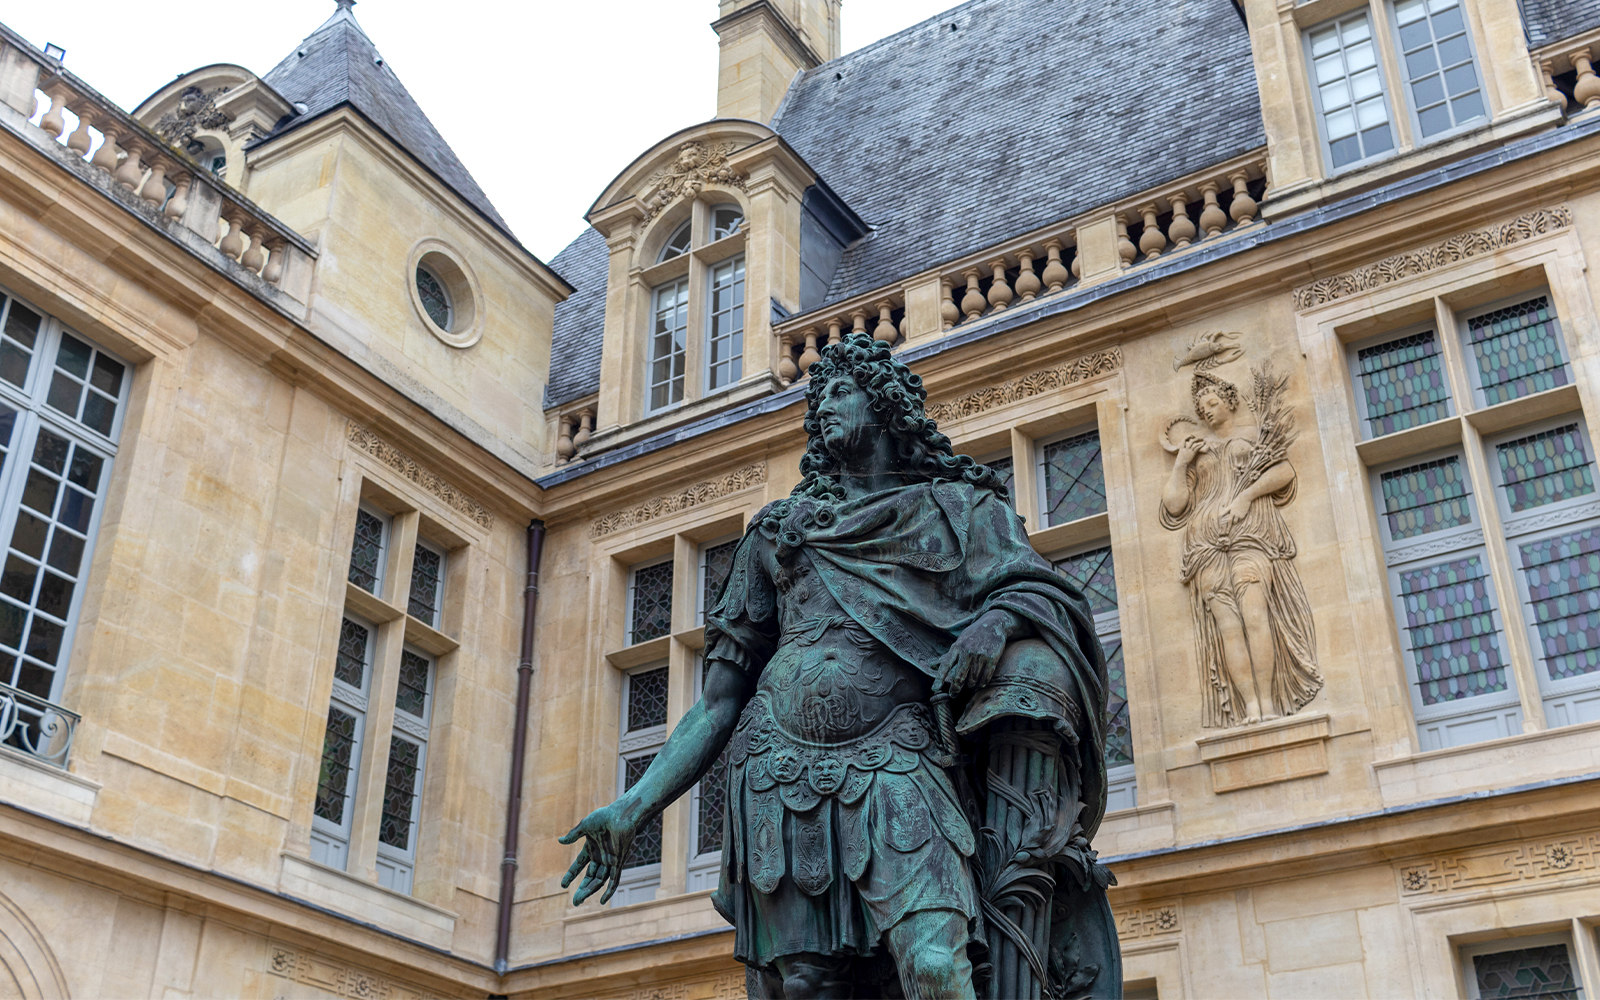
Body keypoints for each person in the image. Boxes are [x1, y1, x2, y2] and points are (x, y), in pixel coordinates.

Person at [561, 334, 1119, 999]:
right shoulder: (778, 531)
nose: (825, 405)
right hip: (776, 771)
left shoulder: (959, 511)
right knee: (806, 987)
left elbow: (1039, 589)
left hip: (898, 760)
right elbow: (717, 702)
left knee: (939, 967)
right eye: (819, 395)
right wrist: (634, 806)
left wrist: (994, 627)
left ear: (884, 405)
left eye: (842, 390)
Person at [1160, 368, 1322, 727]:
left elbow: (1284, 473)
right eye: (1202, 410)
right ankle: (1249, 706)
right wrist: (1181, 464)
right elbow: (1174, 505)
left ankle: (1268, 702)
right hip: (1205, 546)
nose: (1208, 413)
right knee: (1228, 627)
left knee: (1254, 615)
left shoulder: (1254, 437)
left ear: (1230, 401)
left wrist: (1246, 496)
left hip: (1250, 535)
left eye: (1213, 403)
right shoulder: (1195, 452)